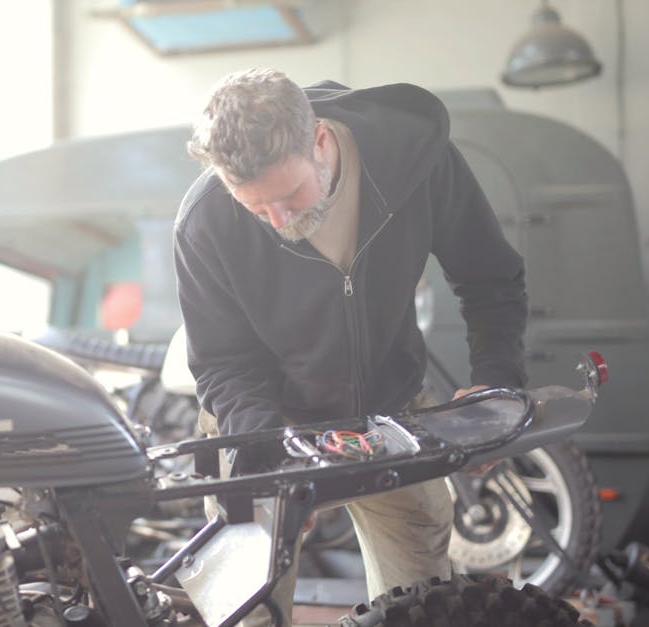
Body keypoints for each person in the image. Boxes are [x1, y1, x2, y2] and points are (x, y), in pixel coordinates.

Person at [172, 68, 528, 625]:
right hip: (261, 427)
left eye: (288, 196)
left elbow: (491, 277)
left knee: (423, 606)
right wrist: (271, 465)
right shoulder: (205, 221)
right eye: (255, 206)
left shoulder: (416, 159)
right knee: (247, 610)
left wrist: (496, 379)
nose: (277, 220)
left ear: (318, 139)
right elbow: (224, 364)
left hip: (392, 419)